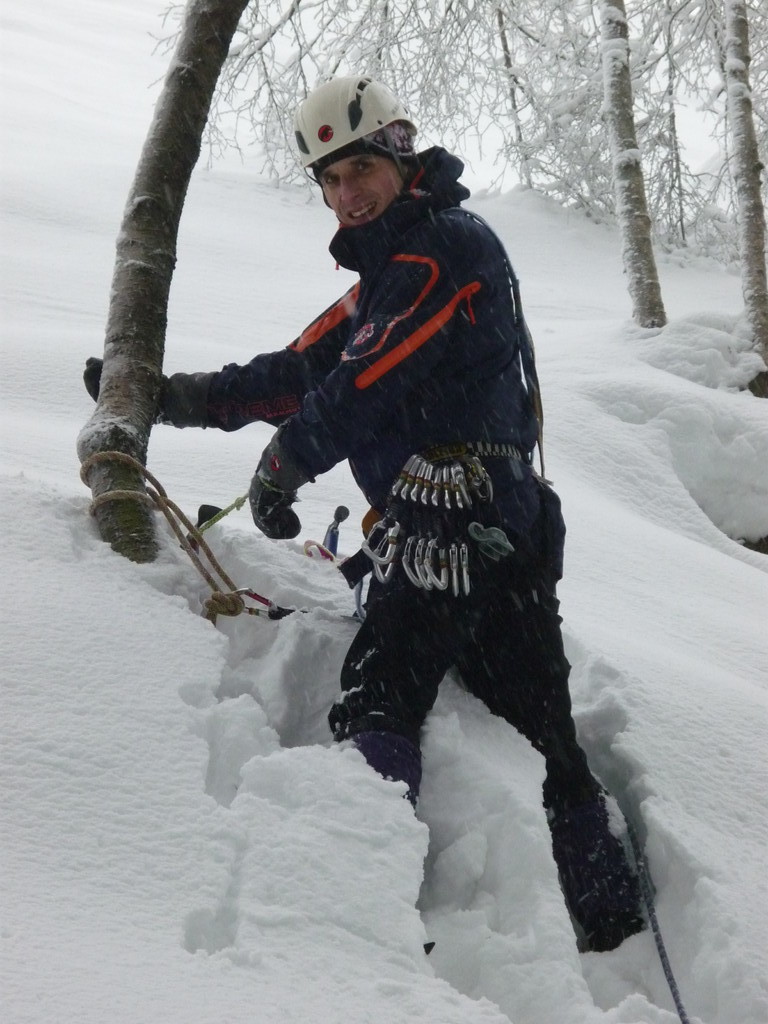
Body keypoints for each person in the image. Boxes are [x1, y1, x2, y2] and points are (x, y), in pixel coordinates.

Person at [84, 76, 644, 952]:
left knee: (381, 698)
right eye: (330, 181)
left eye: (358, 170)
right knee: (536, 717)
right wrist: (168, 399)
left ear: (399, 152)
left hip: (445, 524)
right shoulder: (395, 271)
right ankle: (615, 921)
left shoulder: (439, 251)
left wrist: (284, 464)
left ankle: (352, 925)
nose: (346, 194)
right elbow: (298, 369)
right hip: (504, 524)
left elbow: (361, 385)